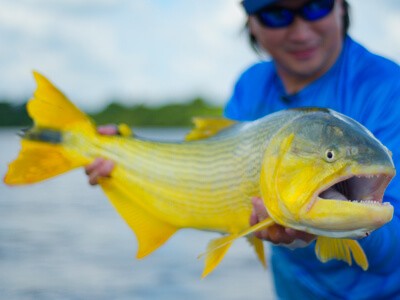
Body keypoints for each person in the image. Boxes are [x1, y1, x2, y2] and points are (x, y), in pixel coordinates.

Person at [86, 0, 400, 298]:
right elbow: (208, 174)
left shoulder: (389, 89)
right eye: (276, 14)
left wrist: (321, 231)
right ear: (251, 23)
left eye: (315, 6)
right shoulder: (250, 85)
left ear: (341, 6)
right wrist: (126, 151)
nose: (301, 31)